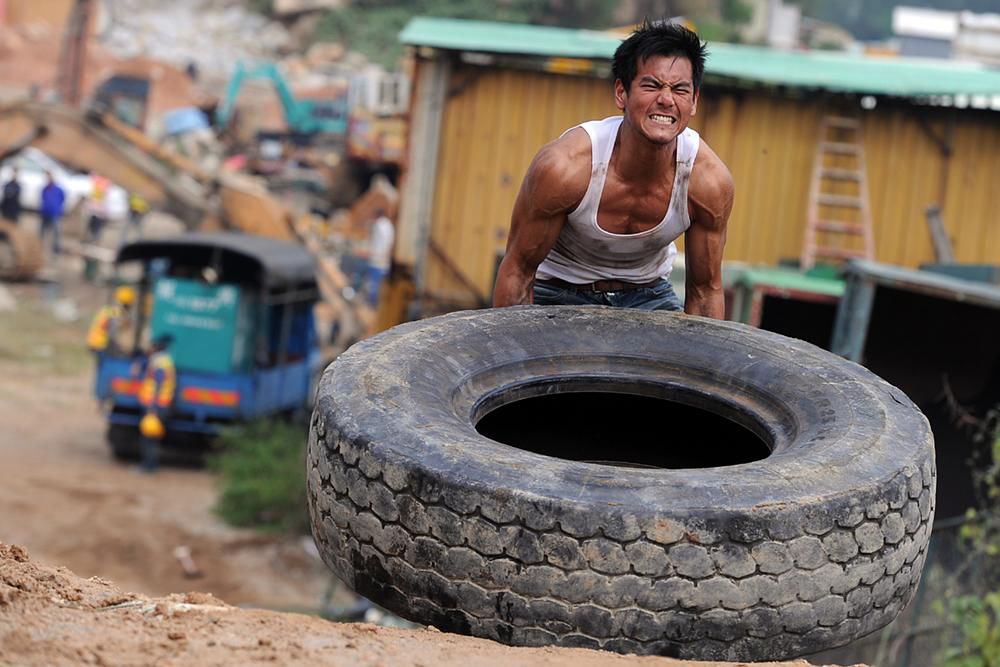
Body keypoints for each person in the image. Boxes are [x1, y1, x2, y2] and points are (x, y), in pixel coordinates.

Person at [492, 21, 734, 319]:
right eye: (652, 85)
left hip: (648, 295)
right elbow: (518, 270)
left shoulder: (707, 180)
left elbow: (705, 290)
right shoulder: (566, 167)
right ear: (622, 93)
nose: (667, 100)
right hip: (556, 291)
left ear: (694, 101)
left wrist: (702, 364)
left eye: (680, 90)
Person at [137, 334, 176, 473]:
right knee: (151, 437)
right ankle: (149, 465)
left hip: (156, 406)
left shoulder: (160, 362)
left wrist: (152, 407)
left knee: (149, 437)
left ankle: (148, 466)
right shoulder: (163, 360)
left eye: (152, 346)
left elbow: (159, 383)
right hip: (160, 405)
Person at [87, 286, 136, 355]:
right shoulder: (118, 314)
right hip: (102, 345)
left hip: (93, 342)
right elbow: (115, 332)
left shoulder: (106, 309)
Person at [365, 209, 395, 308]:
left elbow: (380, 242)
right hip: (382, 260)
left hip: (377, 260)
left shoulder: (380, 225)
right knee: (379, 285)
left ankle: (372, 306)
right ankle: (376, 306)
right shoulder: (388, 225)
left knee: (374, 285)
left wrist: (376, 254)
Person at [39, 172, 66, 255]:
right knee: (42, 232)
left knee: (56, 232)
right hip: (45, 213)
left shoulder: (58, 190)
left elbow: (62, 199)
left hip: (54, 213)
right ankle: (39, 248)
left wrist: (59, 209)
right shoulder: (45, 188)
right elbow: (42, 198)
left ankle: (55, 250)